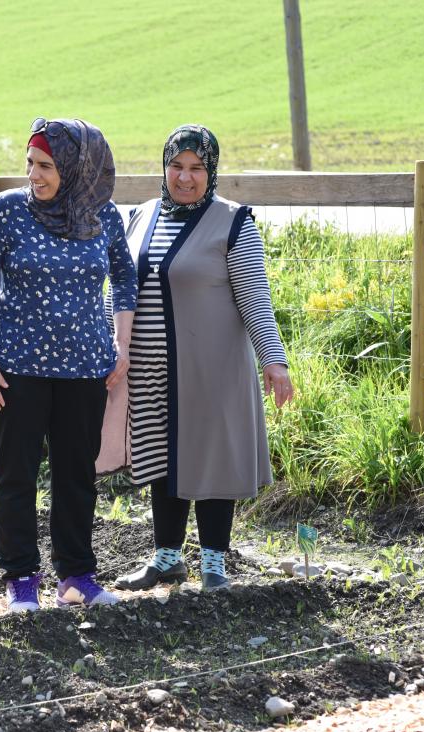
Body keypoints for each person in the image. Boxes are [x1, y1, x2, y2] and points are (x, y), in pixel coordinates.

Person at [98, 124, 294, 592]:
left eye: (196, 168)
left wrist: (274, 359)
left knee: (211, 460)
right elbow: (120, 289)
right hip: (148, 367)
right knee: (162, 457)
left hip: (212, 368)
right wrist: (109, 346)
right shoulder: (140, 215)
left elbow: (255, 296)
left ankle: (213, 565)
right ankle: (166, 558)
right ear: (163, 167)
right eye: (176, 166)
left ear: (212, 171)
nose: (185, 178)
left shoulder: (232, 221)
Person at [0, 118, 135, 613]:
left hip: (86, 369)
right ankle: (20, 578)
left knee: (76, 473)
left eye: (46, 166)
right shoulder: (9, 211)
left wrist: (120, 343)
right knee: (15, 472)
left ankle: (77, 575)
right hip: (14, 367)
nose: (34, 175)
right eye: (30, 164)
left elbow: (125, 278)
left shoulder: (102, 215)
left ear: (77, 168)